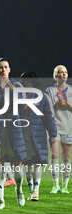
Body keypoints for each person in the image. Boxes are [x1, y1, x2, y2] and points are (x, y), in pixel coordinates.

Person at [0, 58, 27, 209]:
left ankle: (19, 190)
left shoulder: (17, 85)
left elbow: (22, 106)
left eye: (5, 67)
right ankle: (1, 201)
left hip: (14, 129)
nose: (2, 70)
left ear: (9, 69)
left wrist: (13, 91)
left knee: (17, 166)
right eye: (0, 68)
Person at [20, 72, 57, 201]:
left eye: (28, 80)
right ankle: (31, 191)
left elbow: (49, 117)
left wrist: (53, 134)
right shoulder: (19, 96)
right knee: (28, 167)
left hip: (38, 135)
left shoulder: (42, 97)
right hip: (23, 136)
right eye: (24, 81)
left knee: (37, 164)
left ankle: (36, 190)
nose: (26, 83)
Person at [46, 65, 72, 194]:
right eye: (60, 72)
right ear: (55, 75)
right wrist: (57, 103)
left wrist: (67, 104)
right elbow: (47, 110)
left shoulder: (71, 90)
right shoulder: (50, 91)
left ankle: (65, 186)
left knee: (66, 157)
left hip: (68, 127)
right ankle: (55, 185)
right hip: (54, 127)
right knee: (54, 155)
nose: (63, 74)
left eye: (65, 72)